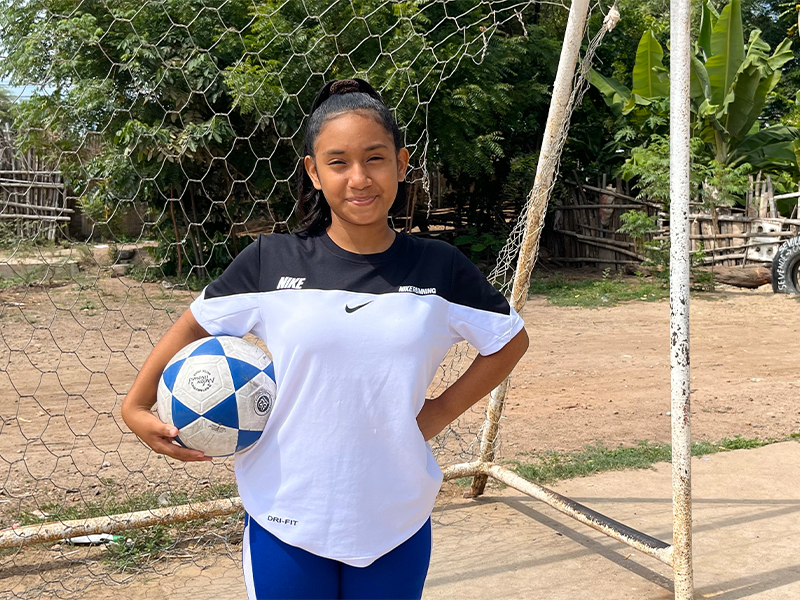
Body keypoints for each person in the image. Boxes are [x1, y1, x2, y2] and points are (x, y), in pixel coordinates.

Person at [121, 78, 528, 600]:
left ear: (402, 165)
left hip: (395, 514)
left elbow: (509, 340)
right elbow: (194, 324)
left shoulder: (439, 267)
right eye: (338, 162)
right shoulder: (272, 261)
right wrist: (135, 406)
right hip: (288, 511)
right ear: (314, 172)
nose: (359, 178)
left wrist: (439, 412)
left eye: (375, 159)